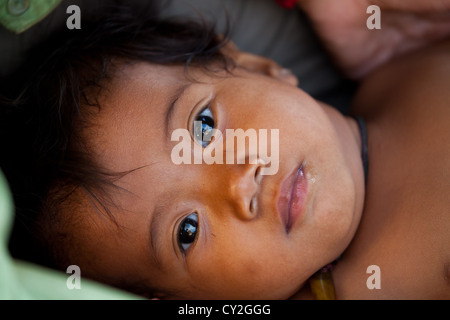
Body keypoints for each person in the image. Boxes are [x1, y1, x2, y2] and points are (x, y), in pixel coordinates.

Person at [0, 0, 449, 300]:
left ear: (259, 68)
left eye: (205, 125)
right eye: (187, 232)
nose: (238, 185)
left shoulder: (399, 59)